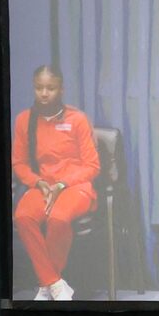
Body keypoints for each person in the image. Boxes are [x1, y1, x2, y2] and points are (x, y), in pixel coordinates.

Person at [12, 63, 101, 302]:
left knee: (59, 218)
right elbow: (19, 163)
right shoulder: (24, 120)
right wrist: (38, 182)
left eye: (50, 88)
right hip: (42, 186)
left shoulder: (77, 119)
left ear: (61, 89)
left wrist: (62, 184)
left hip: (75, 187)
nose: (43, 93)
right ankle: (54, 283)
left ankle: (45, 286)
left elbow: (92, 166)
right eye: (39, 88)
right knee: (22, 216)